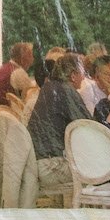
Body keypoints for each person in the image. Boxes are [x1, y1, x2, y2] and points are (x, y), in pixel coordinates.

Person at [28, 52, 89, 204]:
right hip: (51, 168)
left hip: (35, 164)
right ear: (74, 75)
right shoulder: (66, 90)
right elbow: (88, 127)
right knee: (101, 171)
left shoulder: (49, 87)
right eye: (83, 73)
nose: (85, 77)